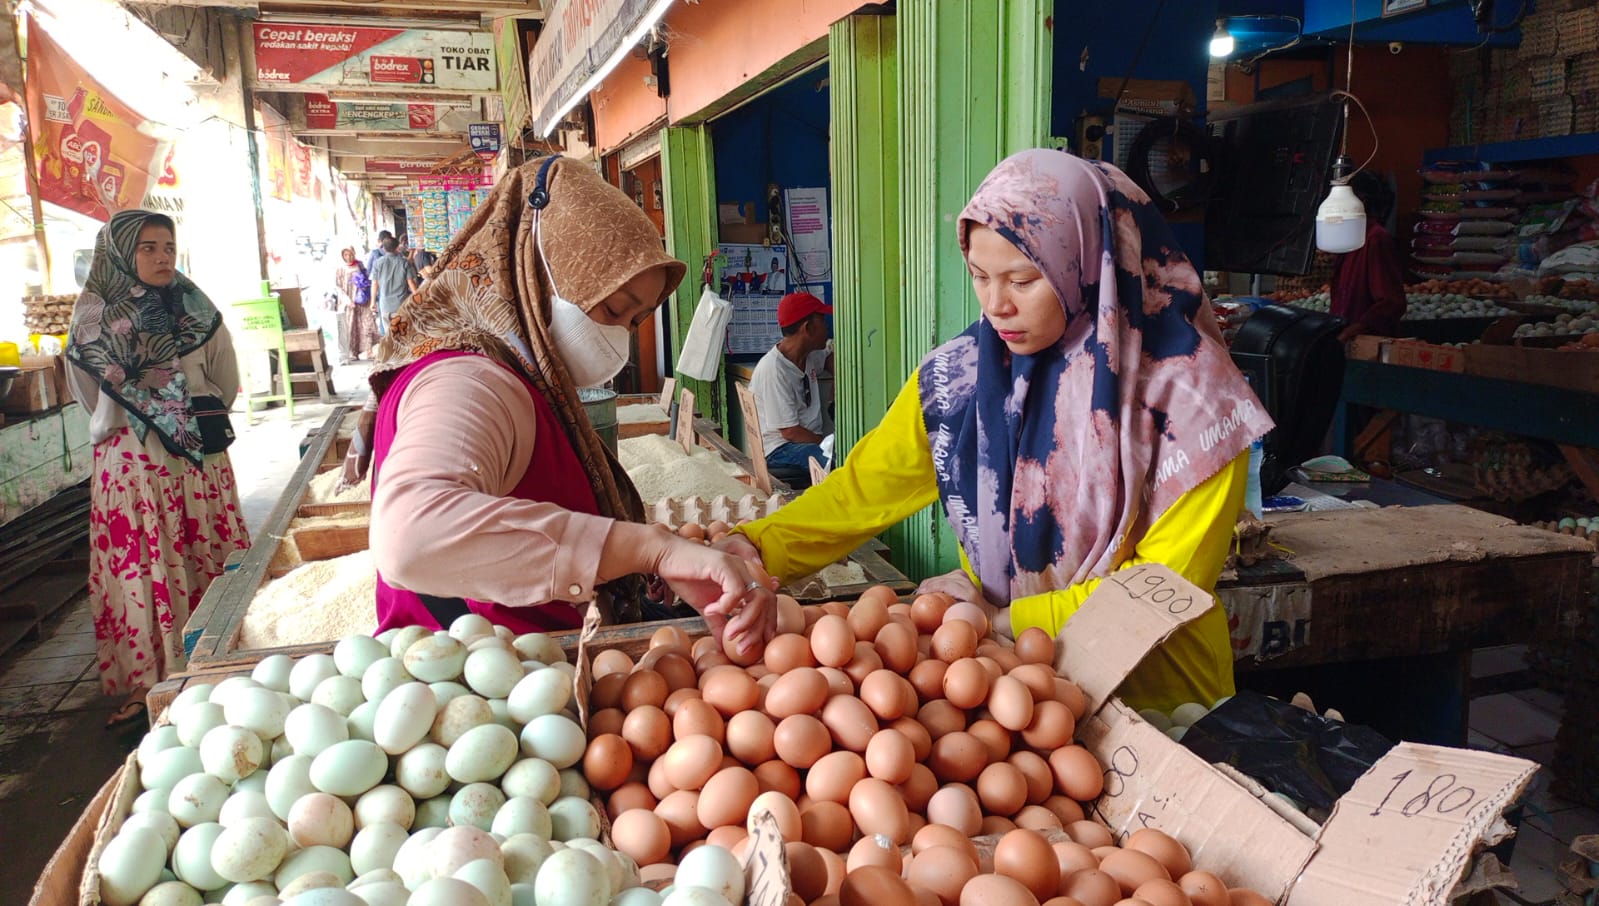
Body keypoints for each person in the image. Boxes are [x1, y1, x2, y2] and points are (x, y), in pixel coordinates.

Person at [718, 151, 1273, 712]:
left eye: (1024, 279)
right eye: (980, 277)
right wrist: (761, 547)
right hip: (1015, 693)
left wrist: (995, 619)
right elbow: (863, 489)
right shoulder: (958, 381)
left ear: (1090, 265)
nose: (996, 305)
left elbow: (1158, 594)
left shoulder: (1196, 406)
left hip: (1158, 703)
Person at [353, 156, 774, 653]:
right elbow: (410, 537)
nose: (617, 336)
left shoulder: (509, 364)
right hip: (482, 682)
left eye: (634, 321)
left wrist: (643, 565)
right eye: (612, 308)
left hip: (525, 669)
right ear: (536, 272)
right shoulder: (470, 380)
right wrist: (652, 550)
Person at [64, 210, 251, 728]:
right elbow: (87, 399)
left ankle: (218, 666)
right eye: (147, 248)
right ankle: (150, 684)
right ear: (120, 254)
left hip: (196, 467)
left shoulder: (195, 308)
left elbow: (227, 379)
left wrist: (181, 413)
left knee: (203, 555)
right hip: (134, 471)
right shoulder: (92, 322)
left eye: (167, 246)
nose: (162, 256)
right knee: (144, 569)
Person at [750, 292, 834, 475]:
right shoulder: (773, 369)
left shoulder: (808, 354)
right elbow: (790, 431)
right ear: (808, 328)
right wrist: (825, 443)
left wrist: (837, 382)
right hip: (780, 449)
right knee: (835, 459)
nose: (827, 327)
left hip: (804, 442)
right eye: (822, 320)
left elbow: (830, 358)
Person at [1331, 172, 1407, 342]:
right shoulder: (1350, 238)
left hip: (1367, 344)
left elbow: (1391, 302)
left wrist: (1357, 328)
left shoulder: (1376, 239)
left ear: (1361, 202)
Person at [334, 247, 379, 363]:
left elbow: (368, 279)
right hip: (349, 303)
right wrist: (348, 301)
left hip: (363, 301)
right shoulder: (340, 269)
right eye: (346, 255)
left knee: (366, 324)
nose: (348, 257)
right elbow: (338, 287)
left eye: (350, 254)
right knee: (350, 326)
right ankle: (352, 352)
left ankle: (366, 350)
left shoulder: (360, 265)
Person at [370, 237, 418, 336]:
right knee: (403, 335)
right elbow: (411, 282)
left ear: (384, 249)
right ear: (397, 248)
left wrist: (373, 302)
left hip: (385, 305)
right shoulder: (404, 262)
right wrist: (418, 297)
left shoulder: (377, 263)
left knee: (389, 336)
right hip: (400, 305)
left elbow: (374, 284)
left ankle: (392, 350)